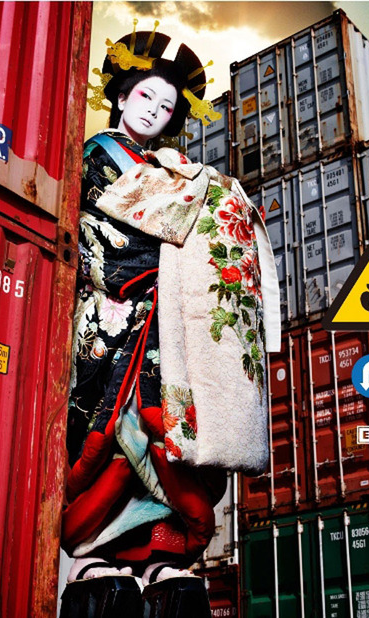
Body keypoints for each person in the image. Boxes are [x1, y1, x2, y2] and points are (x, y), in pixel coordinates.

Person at [62, 23, 280, 588]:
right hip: (118, 320)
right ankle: (96, 550)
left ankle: (164, 554)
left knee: (177, 437)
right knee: (121, 430)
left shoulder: (170, 168)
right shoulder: (98, 154)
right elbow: (130, 235)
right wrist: (206, 213)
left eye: (165, 107)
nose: (154, 111)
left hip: (167, 327)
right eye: (145, 96)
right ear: (120, 97)